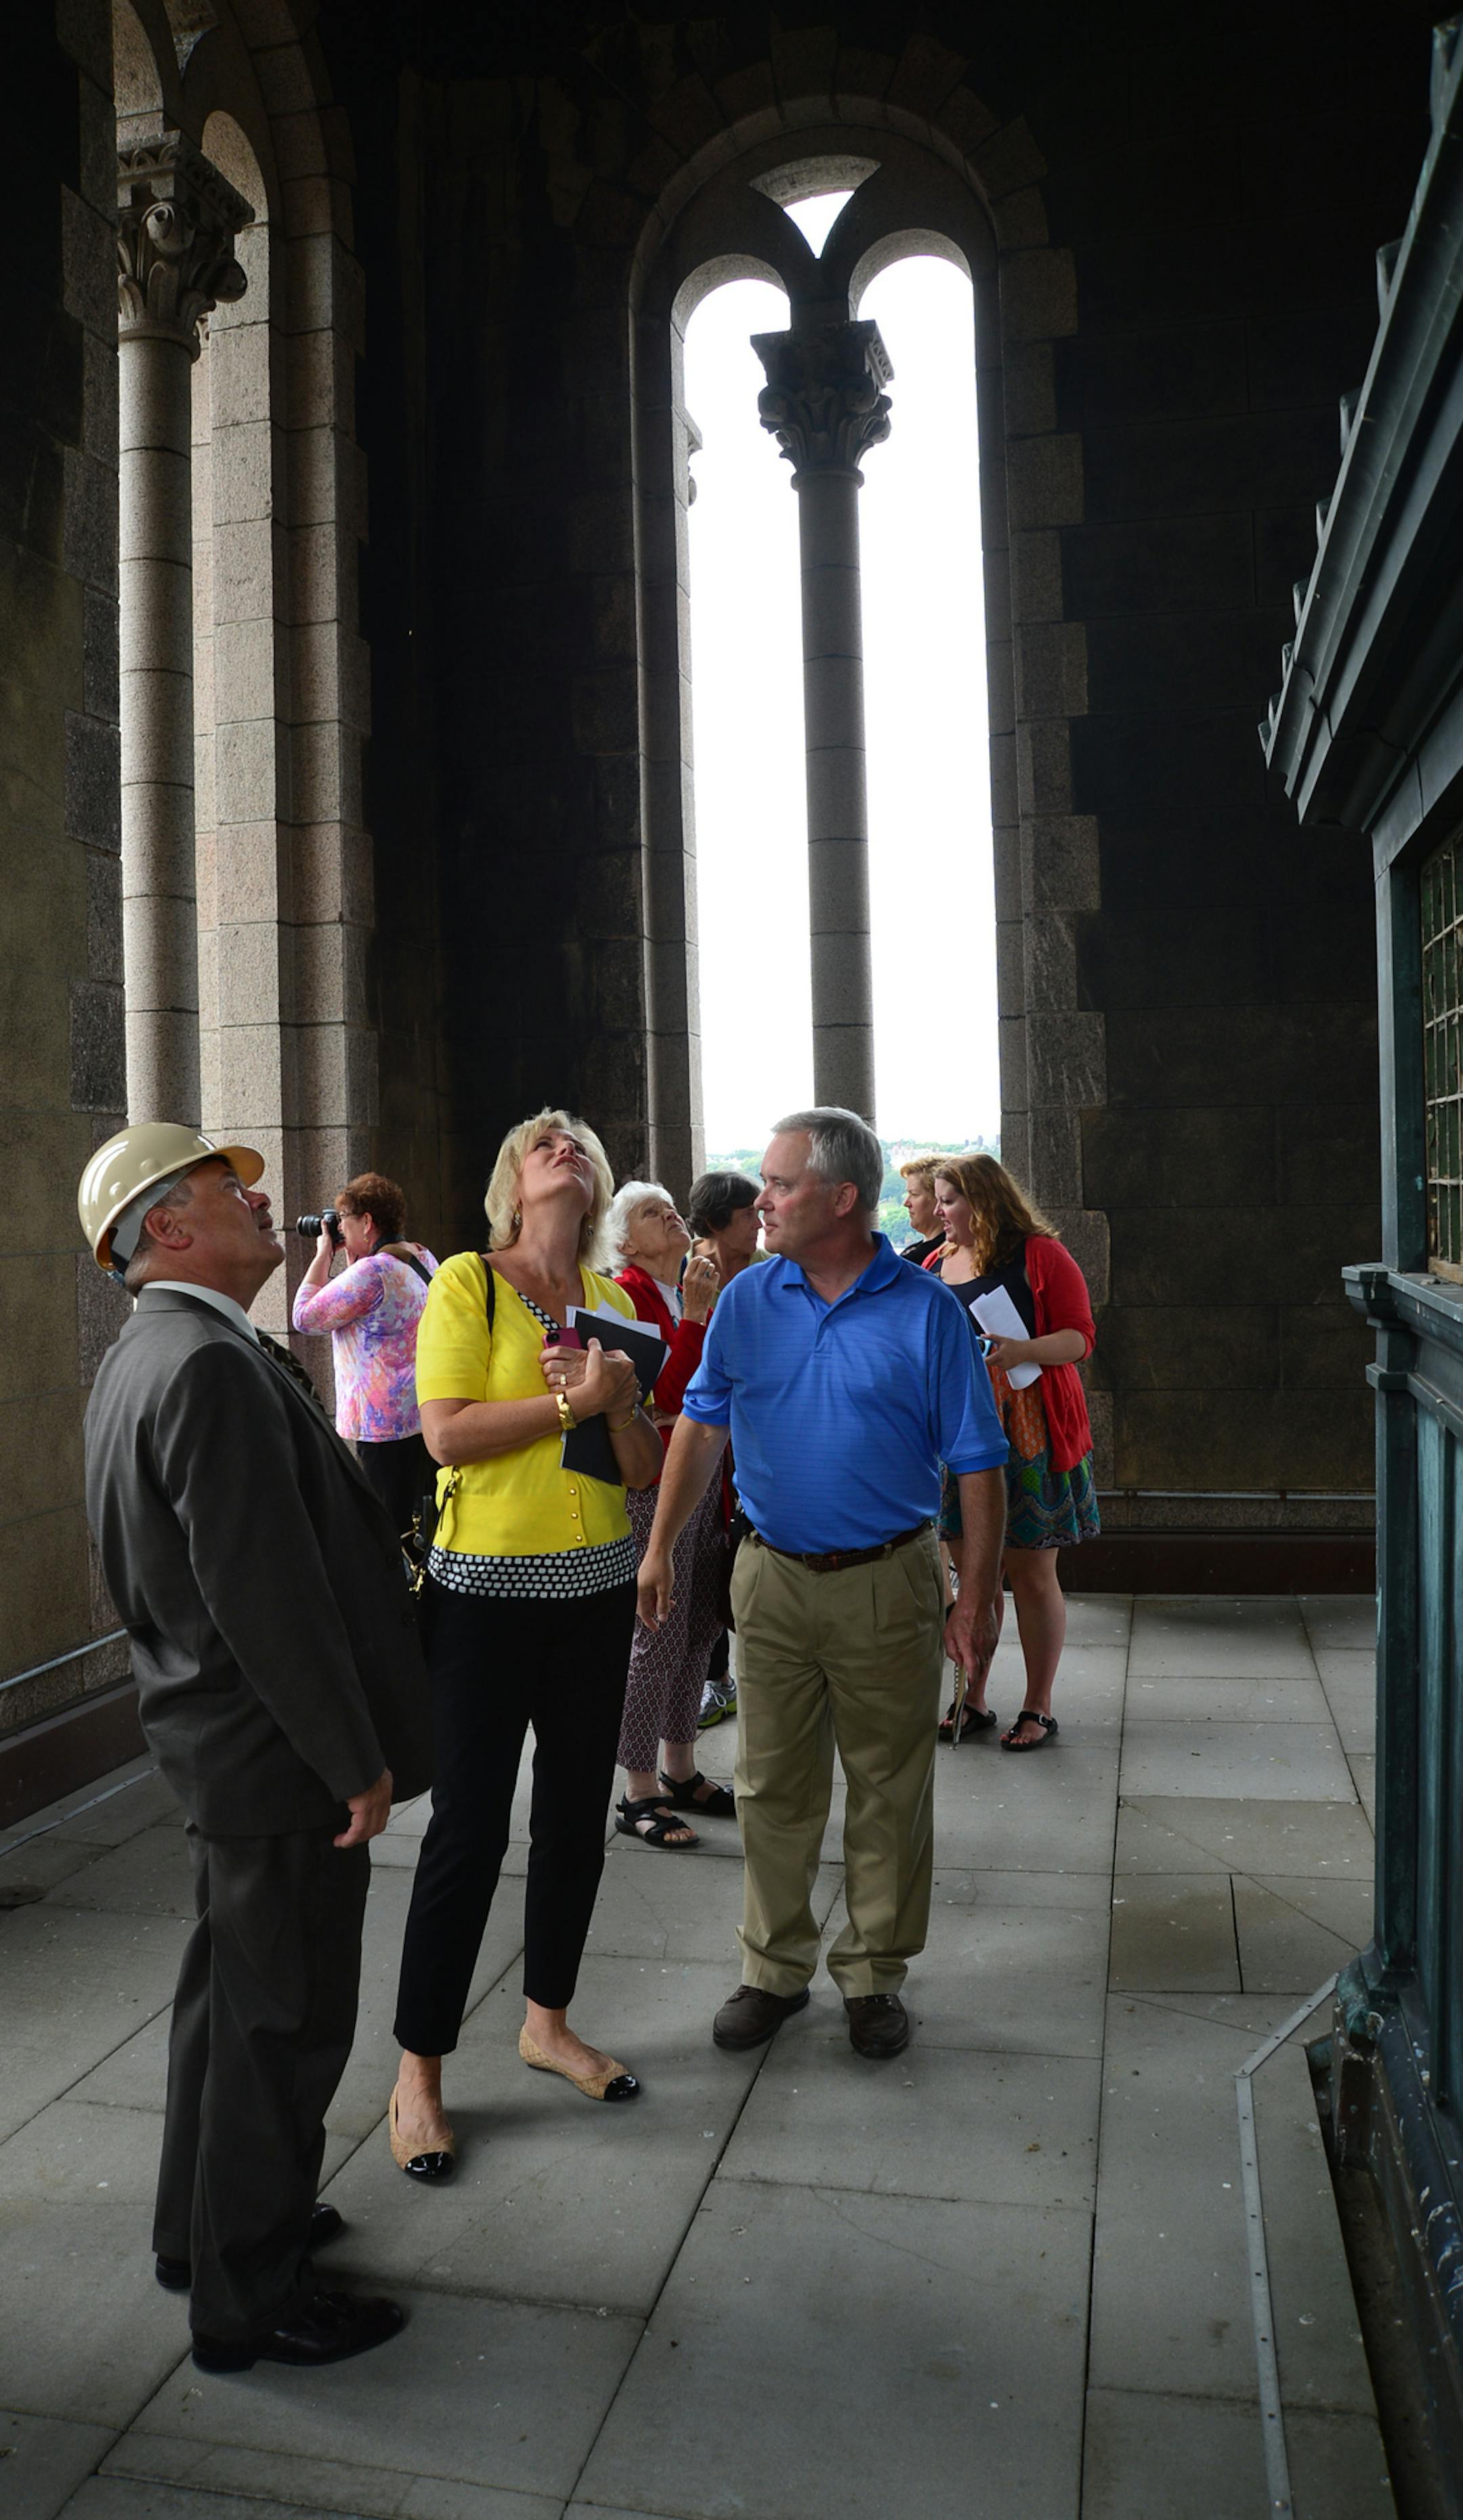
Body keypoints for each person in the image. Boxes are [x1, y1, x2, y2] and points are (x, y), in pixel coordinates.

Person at [77, 1124, 432, 2374]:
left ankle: (205, 2226)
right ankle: (251, 2291)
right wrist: (350, 1759)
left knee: (229, 2000)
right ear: (169, 1227)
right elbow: (261, 1596)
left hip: (220, 1745)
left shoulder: (156, 1349)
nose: (265, 1201)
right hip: (275, 1755)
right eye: (231, 1188)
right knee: (285, 2023)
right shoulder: (208, 1364)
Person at [637, 1107, 1008, 2062]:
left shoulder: (927, 1310)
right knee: (772, 1786)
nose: (760, 1199)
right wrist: (661, 1546)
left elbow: (978, 1460)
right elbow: (702, 1423)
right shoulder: (748, 1302)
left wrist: (976, 1597)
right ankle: (772, 1970)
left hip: (888, 1579)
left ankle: (875, 1973)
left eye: (780, 1182)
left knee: (890, 1786)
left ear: (842, 1197)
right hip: (770, 1577)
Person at [389, 1109, 664, 2172]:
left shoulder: (610, 1302)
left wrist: (619, 1408)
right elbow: (446, 1433)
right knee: (468, 1833)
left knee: (574, 1822)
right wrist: (572, 1405)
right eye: (544, 1138)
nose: (564, 1145)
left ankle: (548, 2022)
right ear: (514, 1177)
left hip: (596, 1591)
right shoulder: (470, 1281)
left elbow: (638, 1467)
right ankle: (419, 2071)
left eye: (577, 1138)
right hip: (485, 1598)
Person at [928, 1151, 1100, 1751]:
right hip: (958, 1432)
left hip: (1030, 1429)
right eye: (938, 1199)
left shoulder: (1040, 1254)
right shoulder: (936, 1262)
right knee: (975, 1573)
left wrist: (1022, 1349)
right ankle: (973, 1698)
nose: (939, 1211)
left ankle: (1038, 1705)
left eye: (949, 1200)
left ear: (983, 1199)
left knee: (1030, 1571)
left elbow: (1081, 1338)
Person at [606, 1180, 732, 1848]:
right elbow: (667, 1393)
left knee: (699, 1623)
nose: (672, 1216)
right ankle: (638, 1787)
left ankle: (679, 1766)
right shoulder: (626, 1293)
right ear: (626, 1242)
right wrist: (698, 1314)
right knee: (655, 1628)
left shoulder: (685, 1287)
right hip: (655, 1481)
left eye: (670, 1207)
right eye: (653, 1214)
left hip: (706, 1474)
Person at [291, 1172, 438, 1539]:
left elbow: (305, 1317)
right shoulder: (421, 1257)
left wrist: (324, 1255)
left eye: (344, 1219)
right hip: (422, 1414)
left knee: (387, 1531)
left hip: (382, 1427)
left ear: (367, 1222)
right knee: (419, 1525)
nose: (339, 1228)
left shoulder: (373, 1272)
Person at [685, 1168, 761, 1730]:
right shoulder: (683, 1272)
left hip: (753, 1437)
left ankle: (729, 1676)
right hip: (703, 1436)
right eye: (747, 1213)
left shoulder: (770, 1270)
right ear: (715, 1222)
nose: (760, 1220)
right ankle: (715, 1678)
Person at [897, 1155, 946, 1267]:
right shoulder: (914, 1253)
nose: (906, 1203)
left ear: (939, 1198)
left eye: (914, 1194)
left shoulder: (946, 1256)